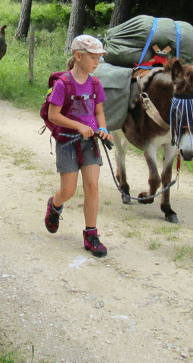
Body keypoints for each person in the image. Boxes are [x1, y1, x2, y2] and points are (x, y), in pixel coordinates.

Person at [44, 35, 114, 257]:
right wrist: (78, 126)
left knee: (92, 185)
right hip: (67, 142)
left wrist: (102, 129)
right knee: (69, 190)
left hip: (90, 143)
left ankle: (91, 234)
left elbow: (99, 112)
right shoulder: (62, 84)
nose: (97, 62)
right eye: (93, 57)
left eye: (99, 58)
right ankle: (55, 205)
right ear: (78, 56)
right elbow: (53, 115)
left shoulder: (95, 84)